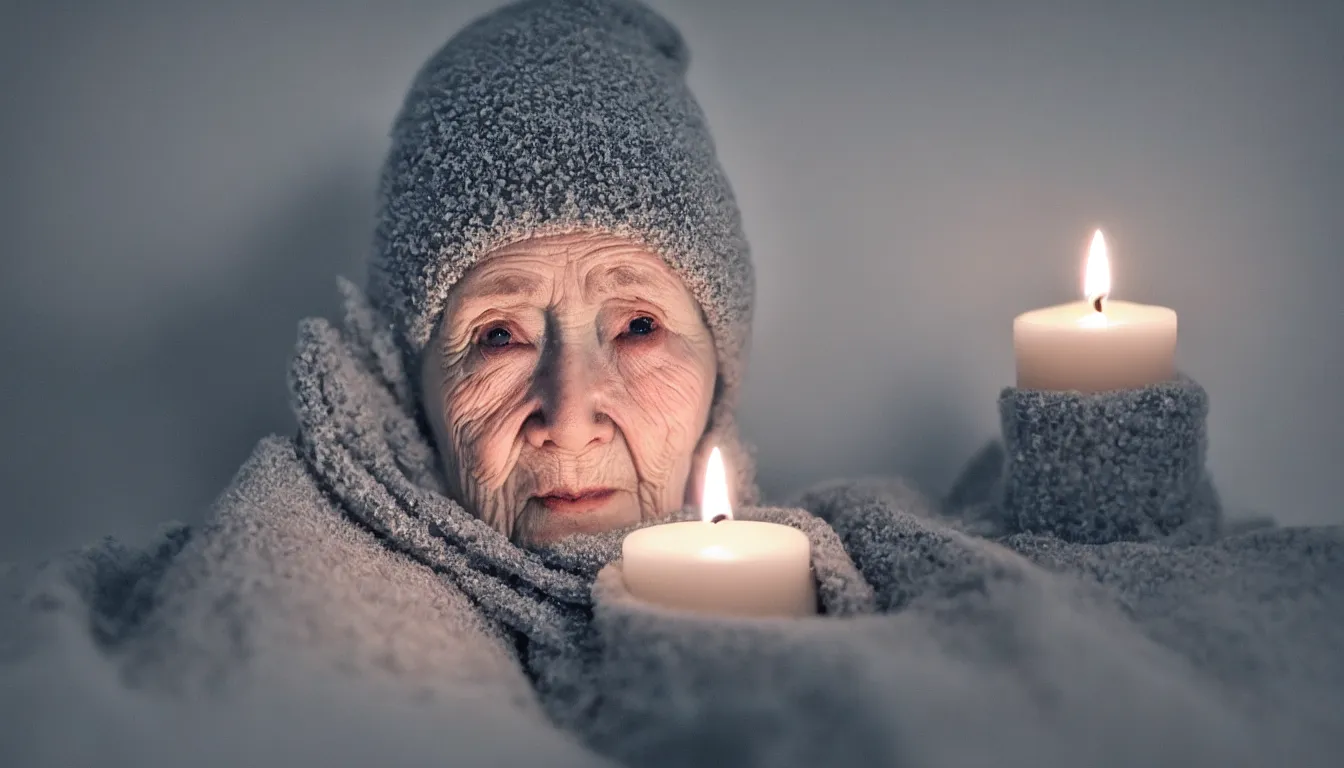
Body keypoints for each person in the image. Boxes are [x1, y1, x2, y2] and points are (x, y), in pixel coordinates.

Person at [4, 1, 1342, 767]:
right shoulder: (303, 562)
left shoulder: (844, 564)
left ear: (722, 366)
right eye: (496, 335)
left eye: (636, 325)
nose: (569, 408)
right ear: (399, 379)